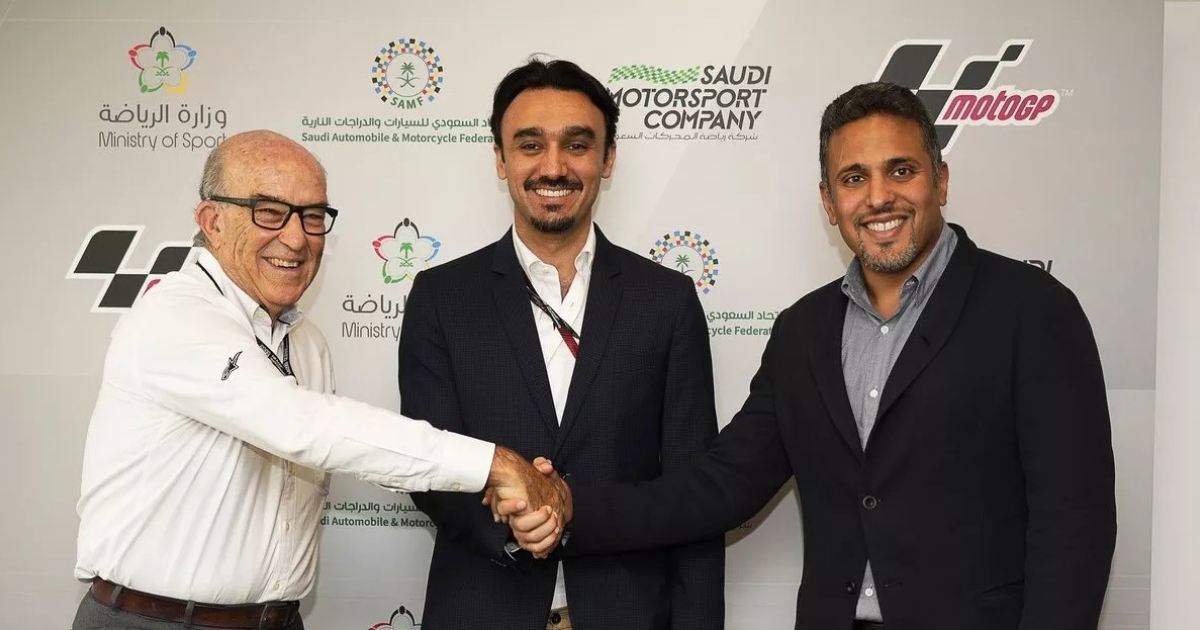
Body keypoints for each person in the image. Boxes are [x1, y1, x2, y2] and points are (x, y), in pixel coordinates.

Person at [496, 81, 1118, 630]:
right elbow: (721, 485)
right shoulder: (804, 331)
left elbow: (1076, 526)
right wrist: (571, 505)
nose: (878, 198)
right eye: (854, 179)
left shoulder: (1033, 311)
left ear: (941, 180)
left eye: (901, 170)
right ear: (828, 200)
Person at [71, 130, 560, 630]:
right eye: (268, 212)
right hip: (153, 621)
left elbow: (348, 449)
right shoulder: (175, 315)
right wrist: (495, 464)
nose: (296, 237)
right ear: (212, 221)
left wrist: (501, 489)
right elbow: (305, 428)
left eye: (312, 216)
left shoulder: (307, 342)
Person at [399, 58, 724, 630]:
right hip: (482, 608)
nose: (553, 166)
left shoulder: (666, 300)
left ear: (608, 159)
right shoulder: (442, 296)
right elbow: (427, 463)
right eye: (530, 145)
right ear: (501, 159)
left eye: (577, 145)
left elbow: (693, 493)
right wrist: (516, 524)